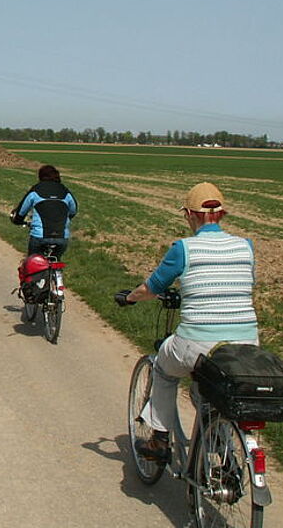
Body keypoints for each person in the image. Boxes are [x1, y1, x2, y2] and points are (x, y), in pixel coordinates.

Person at [115, 182, 258, 461]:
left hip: (198, 342)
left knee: (164, 370)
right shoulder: (246, 246)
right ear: (222, 214)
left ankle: (159, 440)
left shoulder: (184, 249)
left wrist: (130, 298)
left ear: (190, 215)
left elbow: (151, 288)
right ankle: (220, 443)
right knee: (215, 386)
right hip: (246, 342)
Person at [9, 165, 77, 257]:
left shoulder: (36, 190)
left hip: (39, 236)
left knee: (32, 263)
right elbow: (73, 211)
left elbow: (21, 211)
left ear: (40, 176)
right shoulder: (65, 191)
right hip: (62, 237)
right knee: (56, 260)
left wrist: (18, 220)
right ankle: (56, 270)